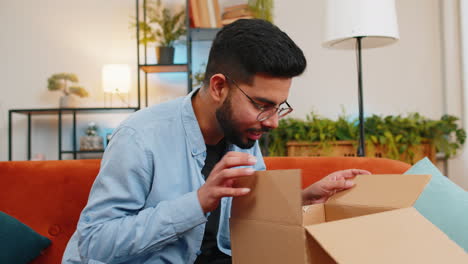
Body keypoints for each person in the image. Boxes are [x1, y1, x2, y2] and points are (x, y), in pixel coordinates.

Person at [62, 19, 370, 264]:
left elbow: (251, 219)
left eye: (279, 107)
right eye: (263, 105)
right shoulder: (139, 137)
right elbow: (95, 241)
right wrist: (198, 202)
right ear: (219, 87)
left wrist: (305, 197)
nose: (273, 121)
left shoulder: (244, 131)